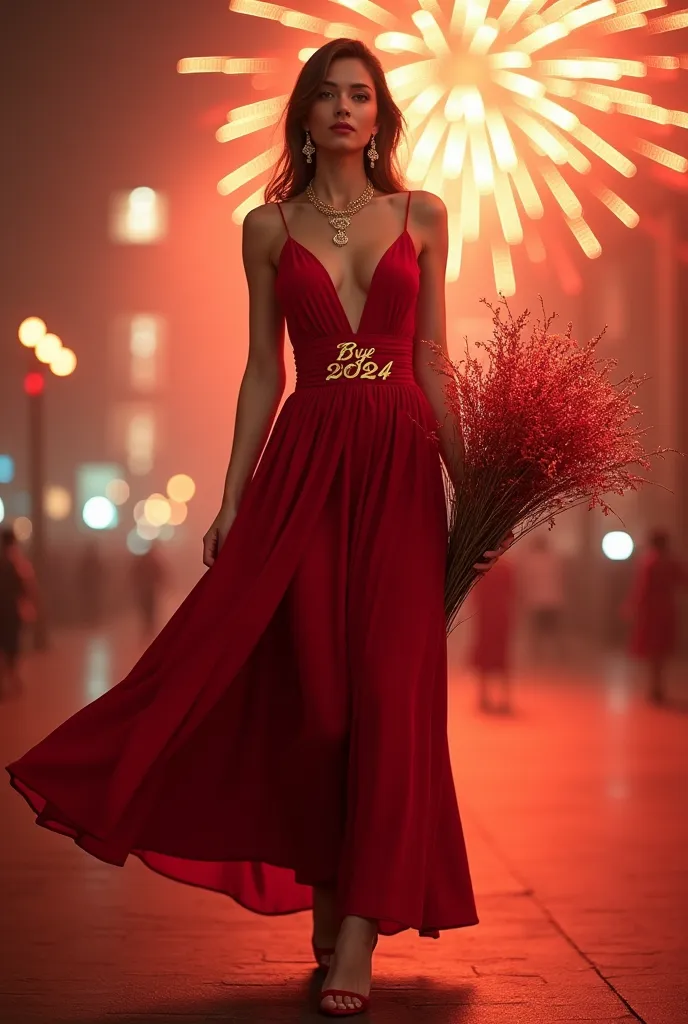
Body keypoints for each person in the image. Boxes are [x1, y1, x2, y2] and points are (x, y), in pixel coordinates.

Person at [6, 39, 512, 1018]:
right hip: (305, 467)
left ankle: (355, 936)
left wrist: (473, 489)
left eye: (360, 94)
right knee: (321, 704)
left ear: (379, 115)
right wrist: (235, 494)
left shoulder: (425, 216)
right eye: (326, 94)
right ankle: (329, 896)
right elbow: (259, 373)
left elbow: (435, 364)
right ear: (304, 113)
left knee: (387, 703)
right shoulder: (267, 228)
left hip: (402, 468)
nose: (343, 108)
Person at [624, 529, 688, 704]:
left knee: (653, 648)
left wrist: (632, 606)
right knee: (661, 649)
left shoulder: (649, 562)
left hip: (651, 610)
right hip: (667, 608)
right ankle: (658, 685)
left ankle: (656, 686)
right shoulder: (672, 562)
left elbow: (642, 588)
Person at [468, 556, 517, 714]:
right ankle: (504, 698)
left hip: (486, 615)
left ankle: (483, 696)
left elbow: (476, 595)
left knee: (485, 655)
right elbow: (513, 593)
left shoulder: (483, 568)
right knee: (501, 656)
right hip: (501, 615)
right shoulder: (507, 568)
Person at [522, 533, 567, 663]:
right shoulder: (554, 559)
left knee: (536, 632)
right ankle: (560, 655)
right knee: (554, 630)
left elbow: (526, 582)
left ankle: (536, 656)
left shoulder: (530, 561)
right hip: (554, 601)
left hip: (535, 602)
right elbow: (561, 579)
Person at [0, 527, 25, 697]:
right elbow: (21, 586)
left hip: (6, 610)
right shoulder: (15, 561)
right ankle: (13, 680)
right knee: (10, 648)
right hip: (9, 611)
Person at [130, 543, 167, 637]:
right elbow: (160, 574)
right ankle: (149, 627)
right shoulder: (152, 562)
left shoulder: (142, 562)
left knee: (146, 609)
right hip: (148, 589)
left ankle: (148, 627)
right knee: (149, 609)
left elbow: (134, 575)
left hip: (145, 590)